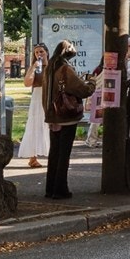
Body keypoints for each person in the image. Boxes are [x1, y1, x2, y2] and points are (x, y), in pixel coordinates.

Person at [42, 40, 96, 200]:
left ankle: (50, 188)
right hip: (66, 116)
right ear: (67, 51)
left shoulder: (49, 68)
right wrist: (92, 82)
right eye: (73, 48)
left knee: (54, 153)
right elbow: (82, 89)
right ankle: (60, 190)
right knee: (64, 154)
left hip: (53, 115)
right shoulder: (65, 69)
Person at [16, 43, 50, 168]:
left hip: (50, 96)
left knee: (50, 125)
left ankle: (52, 154)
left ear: (46, 52)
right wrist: (33, 68)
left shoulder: (52, 66)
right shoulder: (36, 67)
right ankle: (32, 157)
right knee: (35, 124)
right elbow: (27, 83)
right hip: (38, 96)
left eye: (41, 51)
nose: (39, 54)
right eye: (36, 53)